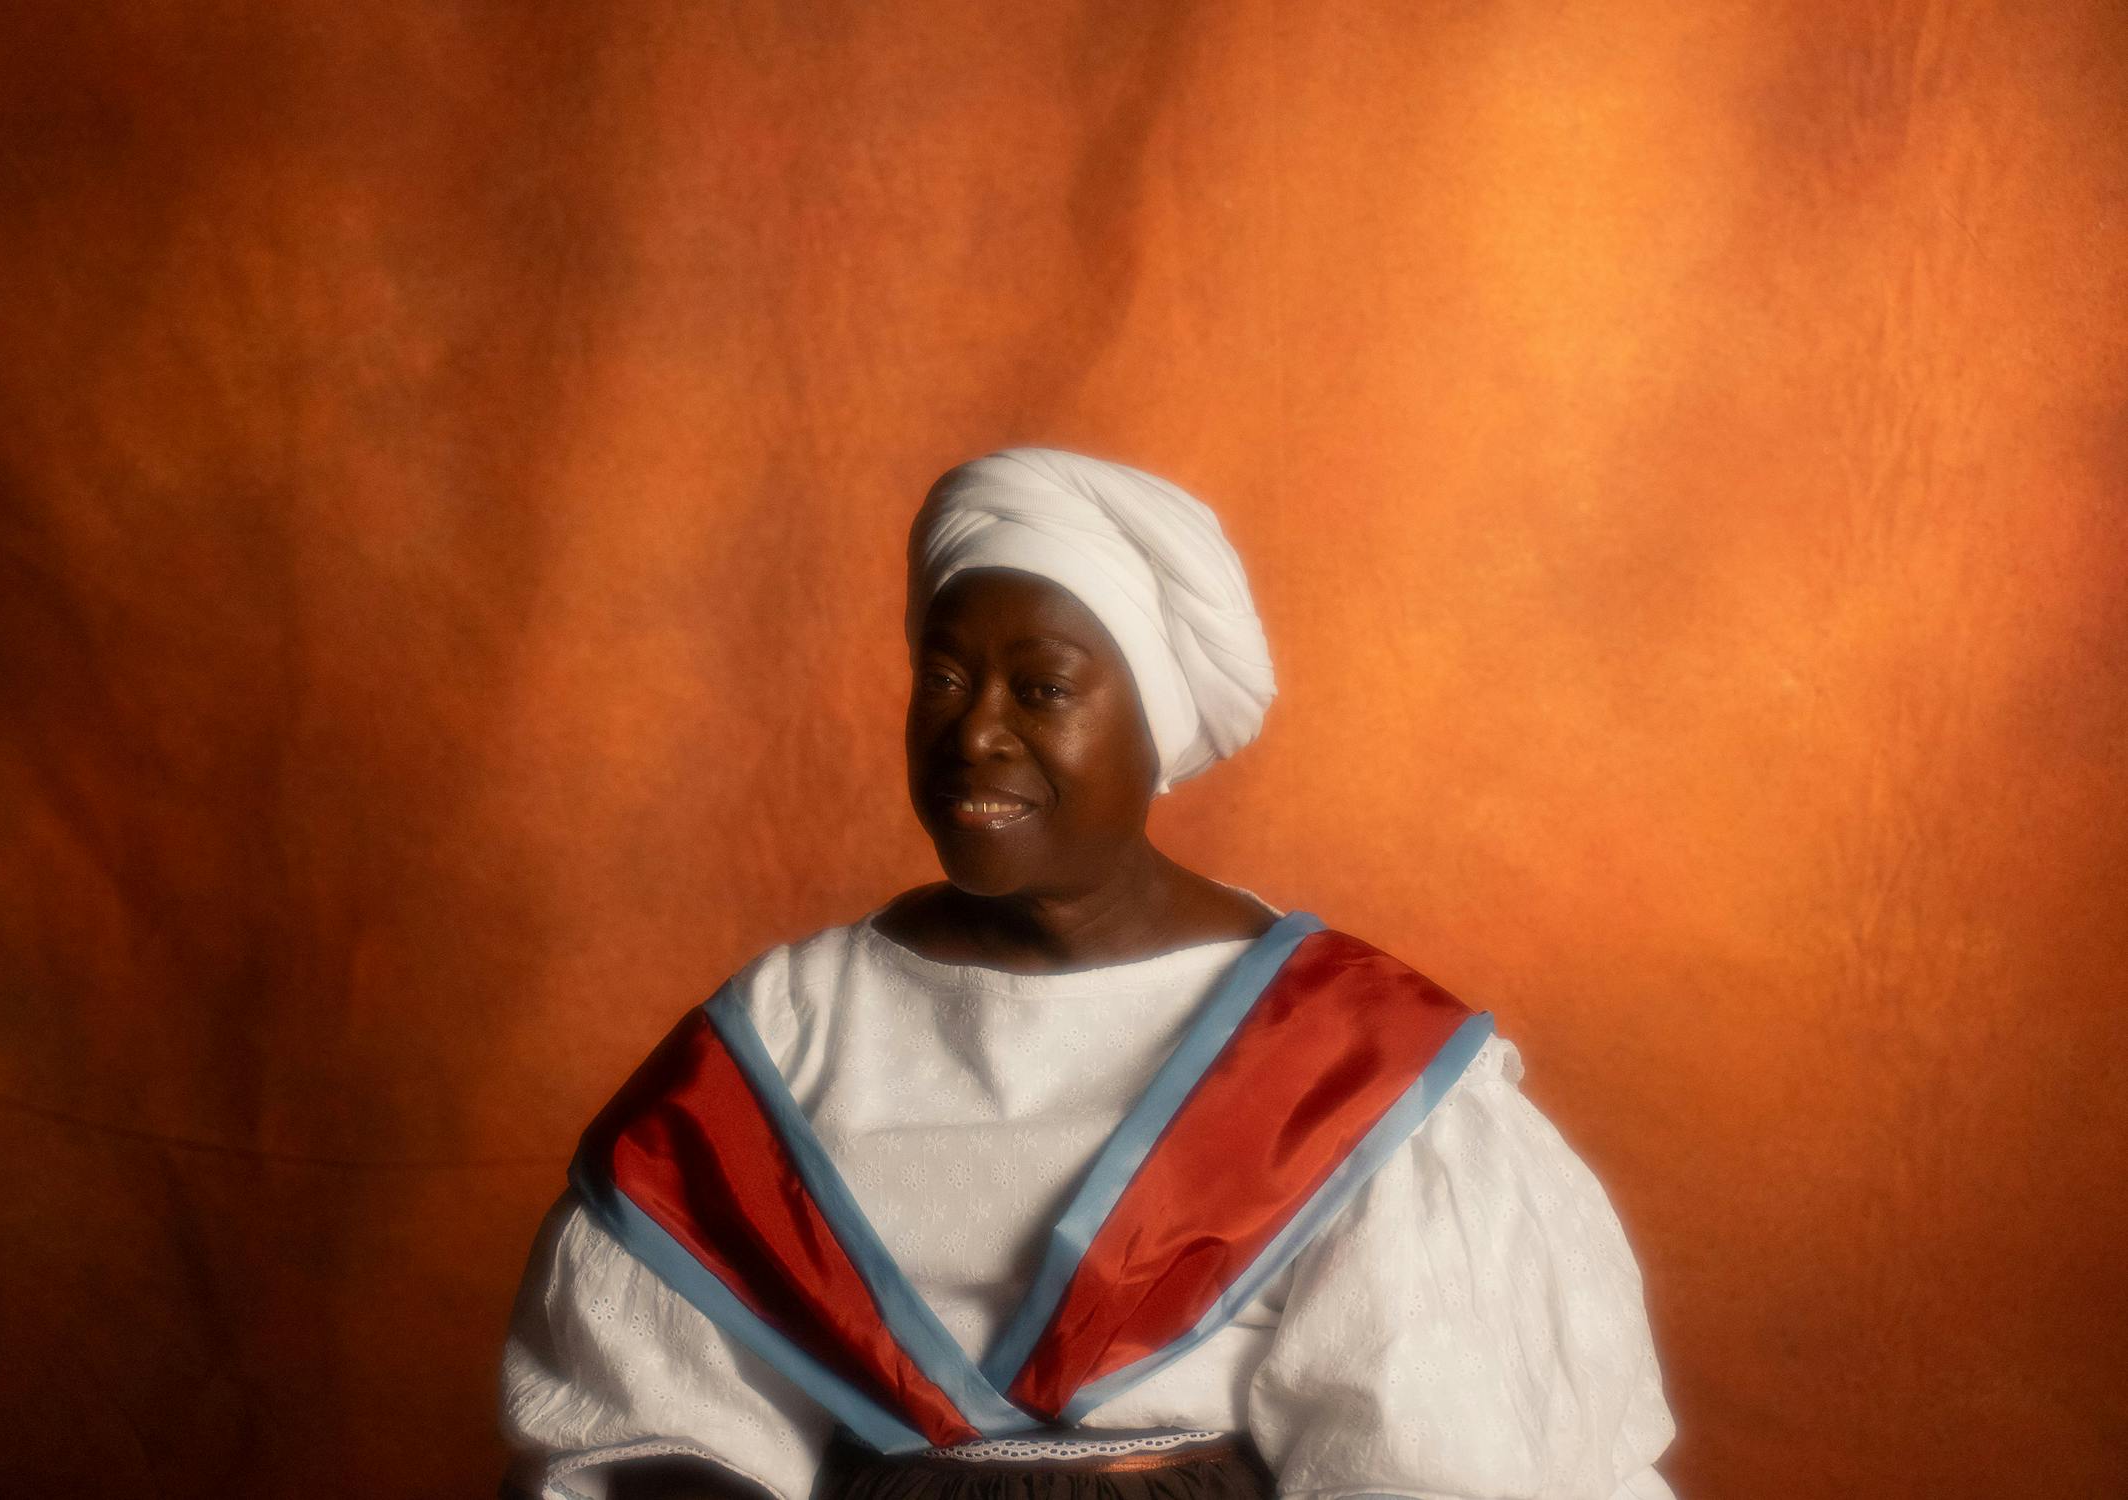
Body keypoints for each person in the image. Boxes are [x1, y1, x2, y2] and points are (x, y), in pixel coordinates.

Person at [499, 448, 1677, 1500]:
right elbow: (652, 1419)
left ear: (1153, 725)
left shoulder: (1348, 1059)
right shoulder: (790, 1030)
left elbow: (1437, 1455)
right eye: (947, 678)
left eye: (1044, 689)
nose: (975, 734)